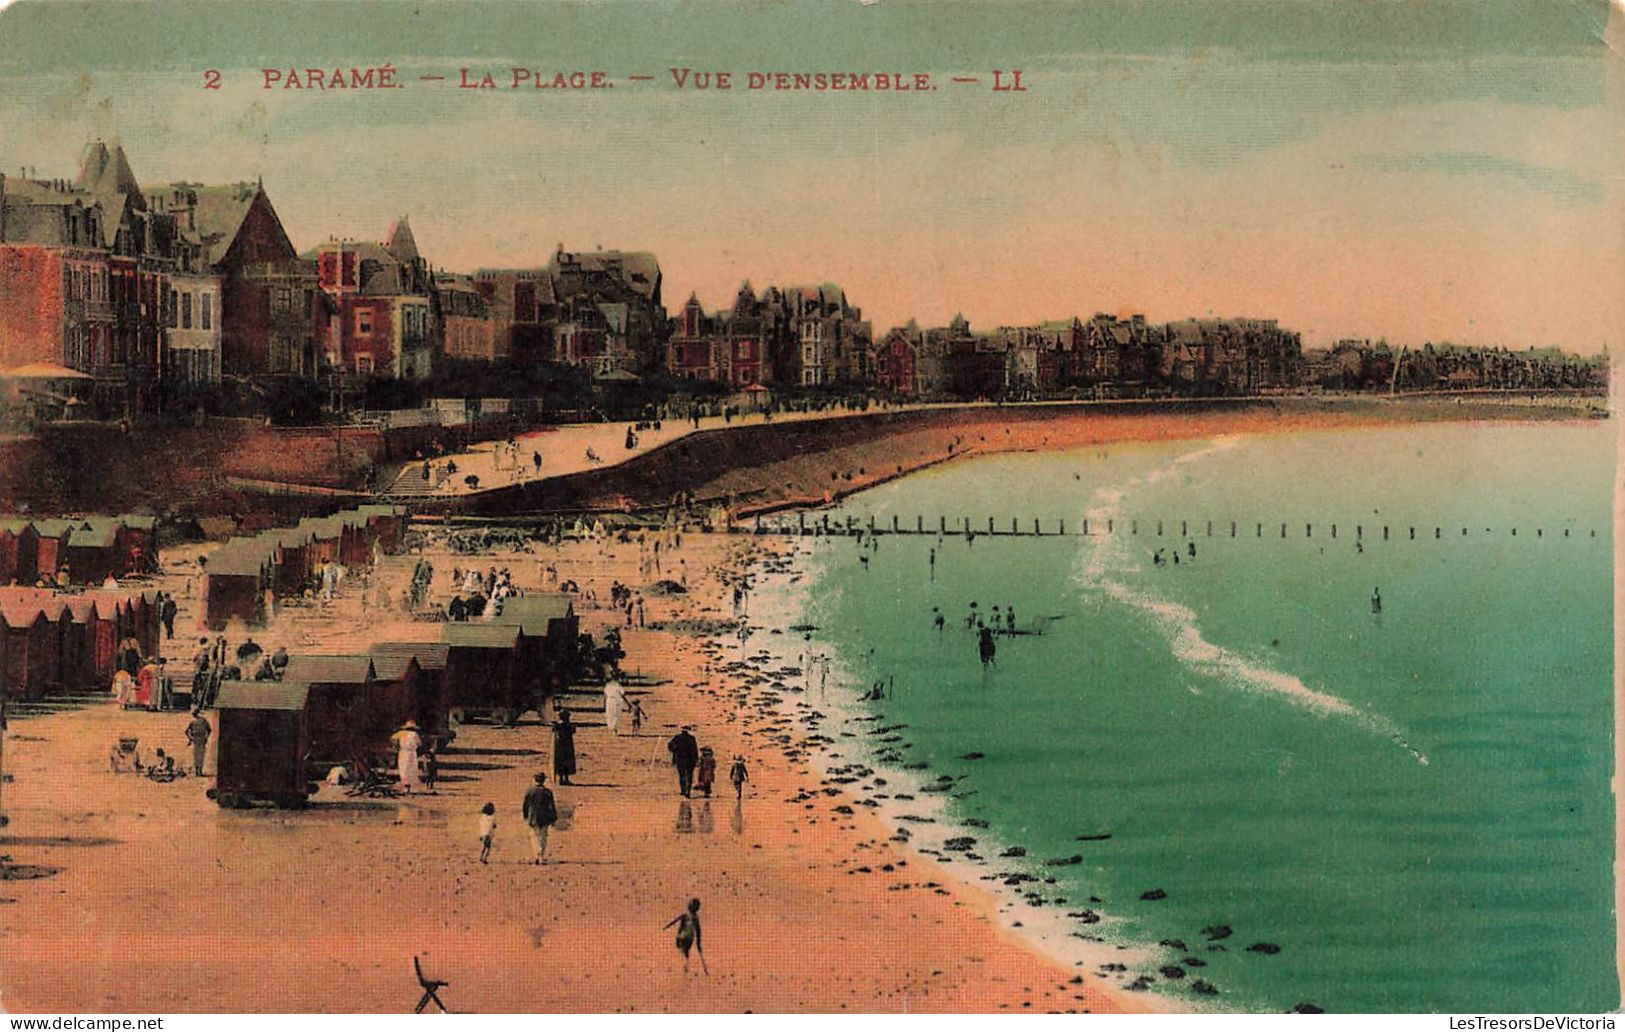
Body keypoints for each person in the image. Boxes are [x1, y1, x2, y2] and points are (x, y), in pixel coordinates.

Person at [521, 773, 558, 864]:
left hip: (533, 817)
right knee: (543, 837)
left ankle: (536, 855)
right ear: (543, 781)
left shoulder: (529, 791)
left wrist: (526, 816)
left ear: (535, 780)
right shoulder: (548, 792)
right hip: (545, 817)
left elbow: (525, 806)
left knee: (534, 837)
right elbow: (552, 806)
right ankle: (541, 855)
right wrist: (553, 819)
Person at [662, 899, 704, 973]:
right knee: (686, 951)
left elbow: (675, 921)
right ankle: (685, 965)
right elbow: (698, 931)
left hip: (682, 937)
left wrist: (666, 927)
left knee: (681, 948)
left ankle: (683, 965)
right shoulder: (695, 919)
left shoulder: (686, 915)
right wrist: (698, 943)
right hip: (690, 938)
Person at [392, 720, 423, 794]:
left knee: (404, 769)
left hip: (403, 752)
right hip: (411, 752)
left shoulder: (400, 733)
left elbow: (393, 738)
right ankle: (411, 787)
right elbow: (419, 744)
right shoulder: (415, 734)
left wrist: (396, 746)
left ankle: (406, 785)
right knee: (412, 769)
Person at [668, 726, 699, 797]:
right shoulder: (691, 738)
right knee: (689, 775)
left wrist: (674, 751)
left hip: (680, 759)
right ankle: (688, 790)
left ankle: (683, 790)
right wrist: (696, 759)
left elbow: (670, 746)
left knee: (682, 775)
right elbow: (695, 750)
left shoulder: (677, 737)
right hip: (690, 760)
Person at [551, 710, 577, 785]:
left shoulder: (557, 726)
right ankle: (565, 779)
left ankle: (561, 779)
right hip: (567, 748)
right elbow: (573, 730)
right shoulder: (567, 725)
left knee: (560, 764)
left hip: (559, 748)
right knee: (566, 764)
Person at [184, 710, 211, 776]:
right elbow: (209, 729)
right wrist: (206, 737)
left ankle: (198, 771)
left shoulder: (194, 721)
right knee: (200, 755)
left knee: (197, 755)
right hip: (199, 738)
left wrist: (190, 739)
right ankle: (199, 771)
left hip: (197, 738)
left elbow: (186, 731)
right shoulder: (202, 720)